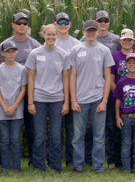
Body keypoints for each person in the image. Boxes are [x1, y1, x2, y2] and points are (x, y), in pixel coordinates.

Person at [69, 20, 114, 173]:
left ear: (96, 32)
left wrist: (104, 100)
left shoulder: (104, 50)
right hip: (80, 100)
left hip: (98, 99)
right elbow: (72, 76)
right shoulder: (75, 50)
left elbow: (108, 77)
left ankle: (98, 166)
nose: (91, 32)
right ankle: (78, 165)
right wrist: (73, 100)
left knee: (99, 135)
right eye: (88, 30)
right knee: (78, 136)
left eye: (93, 30)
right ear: (83, 32)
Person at [0, 12, 41, 166]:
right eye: (19, 23)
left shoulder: (35, 45)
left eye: (25, 23)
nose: (22, 26)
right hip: (9, 94)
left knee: (31, 128)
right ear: (13, 25)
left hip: (30, 92)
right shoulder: (4, 44)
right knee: (5, 131)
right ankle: (2, 161)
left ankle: (32, 160)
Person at [26, 25, 70, 173]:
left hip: (57, 99)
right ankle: (39, 166)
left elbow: (65, 80)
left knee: (56, 135)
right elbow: (30, 79)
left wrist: (66, 102)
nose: (51, 37)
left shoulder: (63, 55)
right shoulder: (34, 54)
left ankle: (56, 166)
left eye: (53, 35)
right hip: (39, 98)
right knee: (39, 135)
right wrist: (30, 101)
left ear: (56, 35)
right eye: (48, 34)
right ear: (43, 35)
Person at [108, 28, 135, 168]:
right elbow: (111, 79)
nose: (127, 42)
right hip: (118, 99)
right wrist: (120, 95)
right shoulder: (114, 57)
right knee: (117, 132)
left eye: (129, 40)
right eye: (124, 39)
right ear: (119, 41)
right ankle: (117, 161)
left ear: (133, 41)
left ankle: (134, 163)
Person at [53, 12, 87, 168]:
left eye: (65, 23)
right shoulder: (51, 41)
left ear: (70, 25)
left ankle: (71, 160)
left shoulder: (76, 44)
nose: (63, 26)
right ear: (55, 25)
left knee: (71, 128)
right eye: (60, 23)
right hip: (54, 91)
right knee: (54, 129)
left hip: (73, 91)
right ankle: (54, 159)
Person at [0, 41, 27, 174]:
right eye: (8, 52)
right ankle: (5, 167)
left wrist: (13, 107)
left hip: (17, 111)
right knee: (5, 139)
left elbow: (23, 89)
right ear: (2, 54)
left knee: (15, 139)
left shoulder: (21, 69)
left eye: (13, 51)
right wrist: (5, 107)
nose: (11, 54)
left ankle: (17, 168)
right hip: (1, 111)